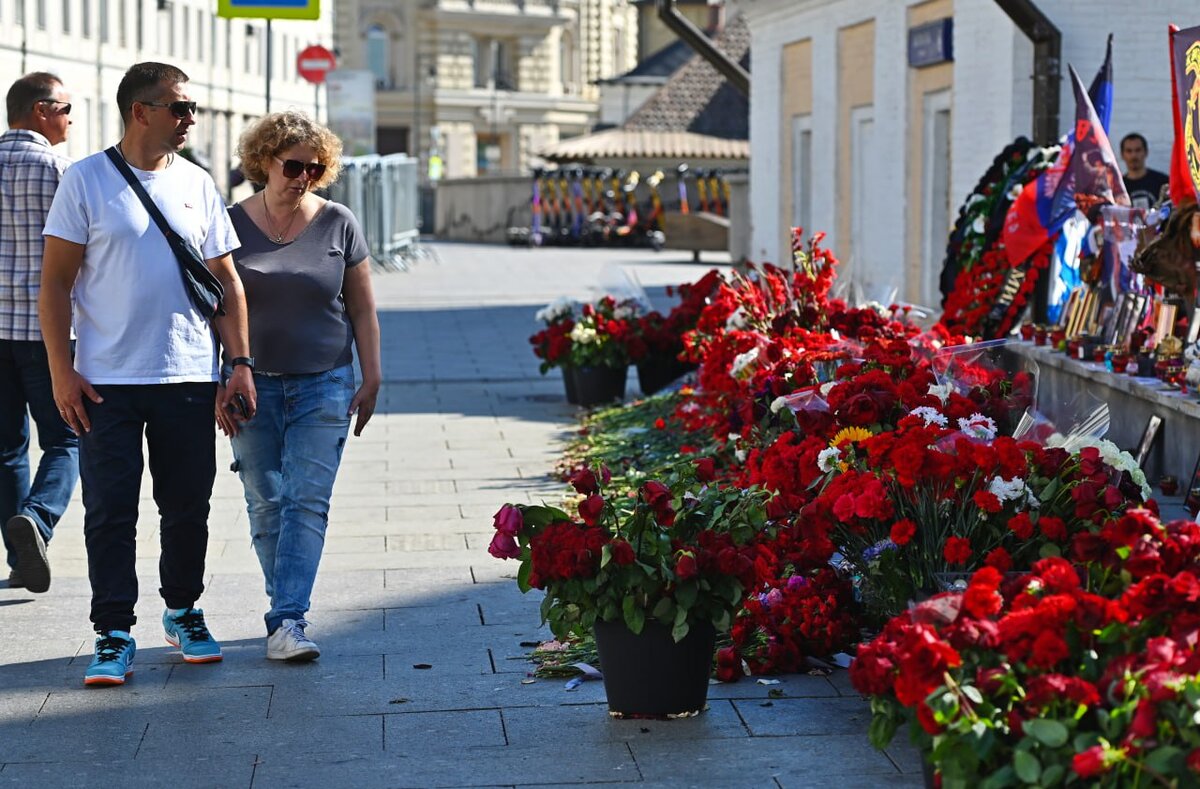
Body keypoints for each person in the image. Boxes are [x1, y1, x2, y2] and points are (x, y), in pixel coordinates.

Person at [39, 62, 255, 686]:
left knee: (186, 505)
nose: (191, 118)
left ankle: (183, 610)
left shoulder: (198, 183)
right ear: (141, 111)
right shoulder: (86, 181)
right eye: (181, 108)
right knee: (110, 510)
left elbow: (227, 284)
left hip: (188, 373)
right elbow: (54, 285)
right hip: (105, 377)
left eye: (193, 109)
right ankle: (113, 630)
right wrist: (62, 371)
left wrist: (238, 364)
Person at [220, 110, 380, 661]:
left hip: (326, 382)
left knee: (306, 502)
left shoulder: (338, 221)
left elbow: (361, 306)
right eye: (293, 165)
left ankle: (288, 618)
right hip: (251, 385)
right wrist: (222, 375)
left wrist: (372, 374)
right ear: (264, 161)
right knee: (266, 501)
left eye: (315, 168)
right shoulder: (227, 223)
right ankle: (282, 609)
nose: (303, 177)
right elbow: (212, 307)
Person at [0, 72, 78, 594]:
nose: (70, 119)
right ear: (41, 110)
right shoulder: (59, 170)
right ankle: (39, 519)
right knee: (68, 438)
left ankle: (21, 558)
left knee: (6, 448)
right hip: (47, 332)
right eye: (66, 108)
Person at [1120, 133, 1169, 210]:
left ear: (1146, 152)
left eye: (1138, 150)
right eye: (1129, 151)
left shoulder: (1163, 183)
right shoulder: (1119, 187)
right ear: (1122, 155)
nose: (1133, 155)